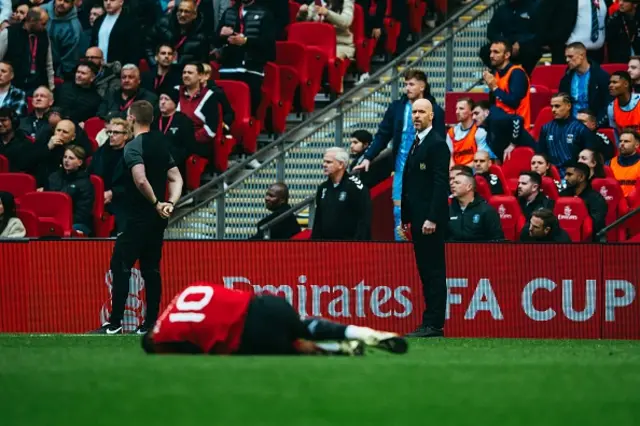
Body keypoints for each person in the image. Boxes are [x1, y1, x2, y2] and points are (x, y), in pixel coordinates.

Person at [92, 100, 183, 335]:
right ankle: (150, 323)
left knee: (120, 266)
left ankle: (114, 324)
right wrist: (169, 204)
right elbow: (176, 178)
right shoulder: (162, 143)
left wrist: (155, 203)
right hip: (157, 220)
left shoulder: (133, 146)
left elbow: (140, 179)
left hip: (137, 216)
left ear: (131, 118)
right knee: (151, 269)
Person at [142, 282, 408, 356]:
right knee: (303, 325)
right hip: (265, 304)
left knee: (293, 348)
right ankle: (359, 333)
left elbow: (192, 350)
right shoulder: (188, 291)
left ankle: (338, 350)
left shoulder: (165, 337)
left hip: (250, 335)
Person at [399, 98, 449, 338]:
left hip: (429, 222)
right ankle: (429, 321)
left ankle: (434, 323)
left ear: (432, 116)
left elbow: (440, 184)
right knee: (425, 271)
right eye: (414, 112)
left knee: (433, 272)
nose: (416, 115)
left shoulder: (437, 144)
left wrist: (432, 218)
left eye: (422, 112)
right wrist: (405, 219)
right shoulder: (417, 143)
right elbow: (410, 184)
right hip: (417, 219)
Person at [311, 147, 371, 240]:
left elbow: (364, 220)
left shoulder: (356, 187)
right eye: (324, 161)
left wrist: (358, 245)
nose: (324, 165)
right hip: (326, 245)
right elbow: (318, 220)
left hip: (349, 246)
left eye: (329, 162)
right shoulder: (323, 188)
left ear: (341, 164)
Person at [44, 145, 94, 235]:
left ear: (80, 162)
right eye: (65, 157)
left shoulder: (85, 183)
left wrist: (63, 221)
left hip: (77, 223)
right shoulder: (53, 177)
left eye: (71, 158)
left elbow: (82, 213)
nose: (66, 160)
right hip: (53, 219)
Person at [482, 39, 531, 129]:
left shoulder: (517, 73)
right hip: (500, 124)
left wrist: (495, 88)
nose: (491, 55)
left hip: (516, 128)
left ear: (507, 55)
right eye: (491, 52)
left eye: (496, 52)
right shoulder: (496, 74)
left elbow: (514, 102)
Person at [447, 173, 505, 242]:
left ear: (469, 187)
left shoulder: (487, 211)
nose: (452, 185)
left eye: (457, 183)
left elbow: (498, 240)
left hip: (480, 251)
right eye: (452, 182)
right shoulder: (448, 210)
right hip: (453, 251)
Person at [560, 161, 608, 239]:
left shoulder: (596, 199)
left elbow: (596, 225)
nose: (565, 178)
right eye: (565, 174)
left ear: (581, 177)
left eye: (569, 175)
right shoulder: (562, 195)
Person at [609, 128, 640, 197]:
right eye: (620, 141)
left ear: (636, 145)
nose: (622, 144)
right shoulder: (609, 163)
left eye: (626, 141)